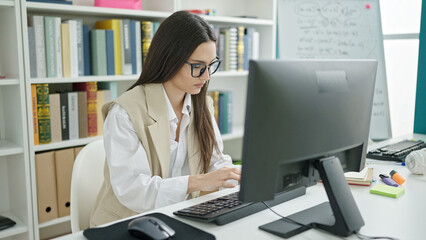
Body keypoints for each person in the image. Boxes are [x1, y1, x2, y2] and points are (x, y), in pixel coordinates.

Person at [90, 11, 241, 227]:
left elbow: (215, 160)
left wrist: (232, 174)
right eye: (198, 67)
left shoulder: (202, 104)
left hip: (178, 217)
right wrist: (197, 182)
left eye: (210, 66)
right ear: (171, 59)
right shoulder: (125, 112)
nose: (207, 76)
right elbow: (133, 190)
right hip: (128, 222)